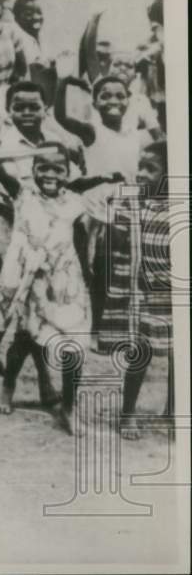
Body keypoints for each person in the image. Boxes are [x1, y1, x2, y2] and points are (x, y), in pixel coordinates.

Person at [0, 144, 97, 435]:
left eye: (57, 169)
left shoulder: (75, 202)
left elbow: (81, 243)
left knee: (74, 345)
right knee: (23, 340)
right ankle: (8, 388)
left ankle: (69, 408)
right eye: (42, 167)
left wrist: (86, 279)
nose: (49, 174)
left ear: (67, 173)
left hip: (64, 283)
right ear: (32, 171)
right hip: (30, 281)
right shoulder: (23, 195)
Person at [53, 74, 153, 352]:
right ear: (95, 102)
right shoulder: (92, 131)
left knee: (123, 271)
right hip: (98, 210)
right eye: (105, 95)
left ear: (128, 100)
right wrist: (64, 83)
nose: (113, 101)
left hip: (128, 208)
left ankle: (119, 326)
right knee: (99, 271)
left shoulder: (134, 132)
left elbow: (159, 143)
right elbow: (62, 117)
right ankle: (96, 330)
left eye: (120, 95)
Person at [118, 141, 174, 439]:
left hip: (175, 293)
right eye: (140, 166)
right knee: (140, 353)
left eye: (150, 169)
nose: (140, 174)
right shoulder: (135, 202)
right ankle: (127, 413)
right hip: (145, 292)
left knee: (180, 354)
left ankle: (173, 410)